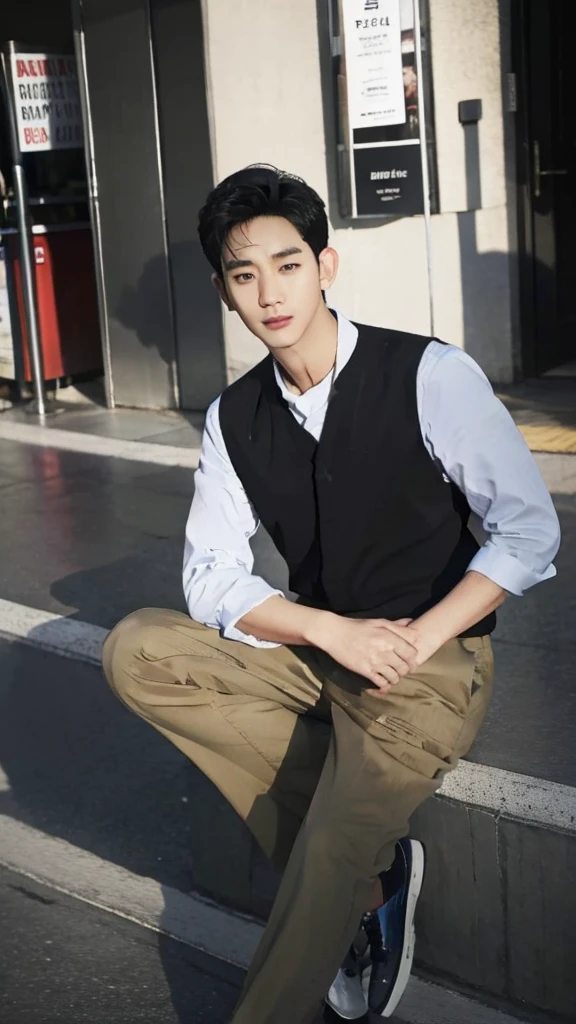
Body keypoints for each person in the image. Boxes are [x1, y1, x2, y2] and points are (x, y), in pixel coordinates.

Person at [103, 165, 560, 1024]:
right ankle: (371, 875)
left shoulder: (428, 374)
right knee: (138, 648)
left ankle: (339, 893)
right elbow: (208, 577)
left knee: (323, 856)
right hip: (320, 653)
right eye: (246, 275)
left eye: (287, 264)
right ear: (224, 291)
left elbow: (530, 531)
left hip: (423, 671)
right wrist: (326, 631)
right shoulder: (233, 417)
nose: (270, 293)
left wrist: (418, 638)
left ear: (326, 265)